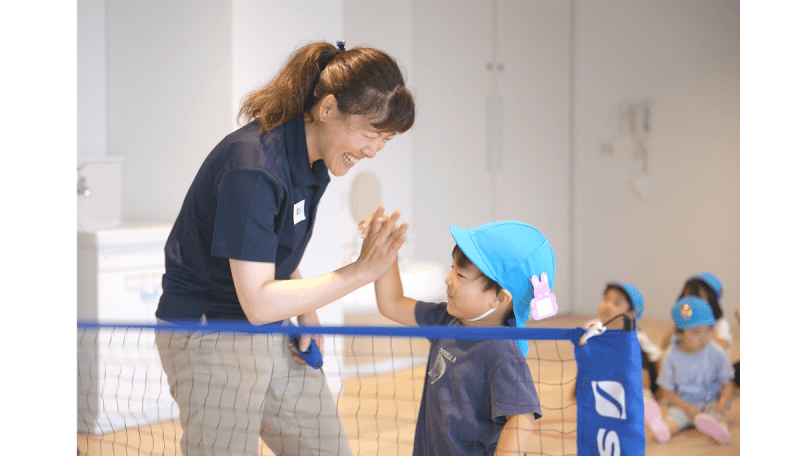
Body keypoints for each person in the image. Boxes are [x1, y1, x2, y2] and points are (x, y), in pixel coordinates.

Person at [153, 40, 414, 456]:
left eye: (384, 139)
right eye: (370, 132)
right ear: (328, 108)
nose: (373, 150)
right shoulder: (253, 166)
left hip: (268, 331)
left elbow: (272, 254)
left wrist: (305, 312)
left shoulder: (316, 164)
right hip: (209, 334)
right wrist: (361, 271)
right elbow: (257, 301)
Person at [370, 220, 553, 455]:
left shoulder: (502, 352)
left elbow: (521, 419)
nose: (448, 279)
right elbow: (391, 303)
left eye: (460, 274)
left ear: (499, 299)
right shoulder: (445, 321)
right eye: (451, 268)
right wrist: (387, 249)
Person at [645, 296, 735, 444]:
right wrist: (687, 408)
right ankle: (663, 430)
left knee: (717, 415)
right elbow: (666, 390)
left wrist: (723, 402)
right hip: (683, 403)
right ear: (679, 334)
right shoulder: (670, 356)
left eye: (708, 330)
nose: (704, 337)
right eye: (696, 332)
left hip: (710, 401)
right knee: (674, 419)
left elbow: (727, 382)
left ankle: (720, 430)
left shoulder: (716, 352)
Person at [583, 282, 662, 409]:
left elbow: (657, 357)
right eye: (606, 299)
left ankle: (644, 395)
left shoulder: (636, 335)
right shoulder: (591, 327)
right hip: (608, 380)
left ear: (631, 314)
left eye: (617, 303)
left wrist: (659, 393)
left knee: (636, 351)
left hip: (633, 381)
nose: (607, 305)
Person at [660, 272, 733, 358]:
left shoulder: (720, 322)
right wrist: (678, 325)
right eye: (689, 299)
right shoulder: (685, 322)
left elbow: (724, 344)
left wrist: (701, 331)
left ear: (713, 303)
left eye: (699, 300)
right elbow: (665, 345)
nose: (694, 304)